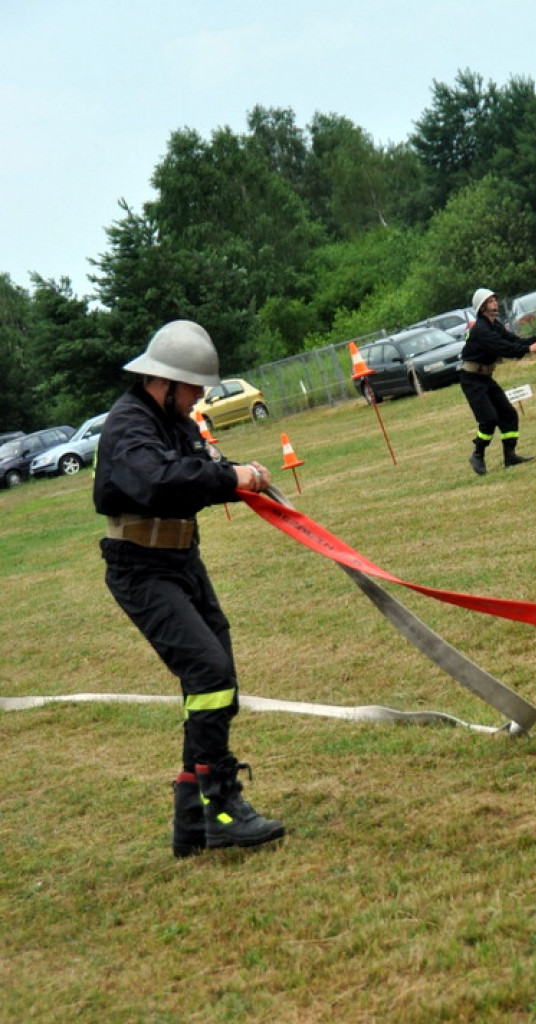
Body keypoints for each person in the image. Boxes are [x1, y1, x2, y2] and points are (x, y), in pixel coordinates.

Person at [93, 319, 285, 858]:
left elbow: (198, 465)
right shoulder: (129, 425)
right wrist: (229, 478)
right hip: (141, 567)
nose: (199, 397)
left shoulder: (172, 419)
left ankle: (193, 823)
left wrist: (241, 473)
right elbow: (156, 481)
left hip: (181, 559)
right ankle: (222, 810)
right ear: (166, 381)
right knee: (208, 672)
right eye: (193, 387)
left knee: (215, 680)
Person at [460, 288, 536, 476]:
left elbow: (513, 340)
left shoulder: (495, 325)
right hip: (472, 380)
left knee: (508, 414)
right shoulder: (481, 330)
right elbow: (504, 348)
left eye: (495, 300)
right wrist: (528, 349)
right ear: (482, 307)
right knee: (489, 419)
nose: (495, 303)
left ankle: (510, 456)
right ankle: (477, 455)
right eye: (491, 301)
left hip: (485, 377)